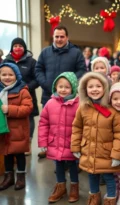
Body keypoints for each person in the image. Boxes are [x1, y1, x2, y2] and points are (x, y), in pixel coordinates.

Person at [71, 72, 120, 204]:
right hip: (89, 151)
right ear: (85, 89)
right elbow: (77, 127)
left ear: (105, 88)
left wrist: (116, 155)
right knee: (92, 175)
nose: (95, 89)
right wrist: (75, 146)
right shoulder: (83, 108)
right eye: (91, 87)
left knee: (108, 176)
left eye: (98, 86)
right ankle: (94, 197)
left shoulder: (113, 111)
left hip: (106, 153)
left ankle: (110, 198)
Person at [35, 25, 86, 159]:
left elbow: (82, 70)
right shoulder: (45, 52)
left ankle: (69, 155)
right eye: (56, 36)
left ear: (67, 37)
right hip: (49, 95)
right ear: (53, 37)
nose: (59, 39)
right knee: (50, 124)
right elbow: (38, 69)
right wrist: (45, 83)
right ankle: (49, 149)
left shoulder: (76, 53)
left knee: (68, 127)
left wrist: (72, 84)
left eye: (62, 36)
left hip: (70, 99)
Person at [38, 72, 79, 203]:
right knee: (58, 165)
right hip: (55, 142)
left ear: (72, 88)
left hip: (71, 143)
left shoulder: (78, 105)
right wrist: (43, 141)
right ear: (55, 87)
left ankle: (74, 187)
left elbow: (82, 124)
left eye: (66, 87)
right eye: (60, 86)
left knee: (73, 165)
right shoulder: (50, 103)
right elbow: (43, 122)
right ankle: (60, 186)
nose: (63, 90)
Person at [0, 63, 33, 191]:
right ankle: (8, 177)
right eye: (3, 75)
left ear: (16, 75)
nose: (7, 77)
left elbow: (27, 108)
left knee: (19, 155)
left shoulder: (22, 90)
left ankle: (20, 177)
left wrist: (9, 109)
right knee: (6, 153)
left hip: (18, 130)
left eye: (10, 74)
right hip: (4, 130)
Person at [3, 38, 39, 156]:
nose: (17, 48)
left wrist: (27, 87)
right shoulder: (5, 61)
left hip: (26, 94)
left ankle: (27, 142)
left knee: (28, 118)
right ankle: (10, 143)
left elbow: (36, 78)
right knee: (12, 120)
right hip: (9, 95)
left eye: (20, 46)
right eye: (15, 46)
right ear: (11, 48)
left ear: (25, 47)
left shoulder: (32, 62)